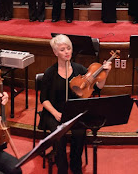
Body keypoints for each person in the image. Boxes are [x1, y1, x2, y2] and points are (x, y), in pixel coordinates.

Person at [40, 35, 111, 174]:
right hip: (54, 113)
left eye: (69, 48)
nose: (67, 52)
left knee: (80, 132)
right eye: (62, 49)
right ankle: (62, 166)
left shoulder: (79, 70)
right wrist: (56, 113)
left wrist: (105, 74)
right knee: (59, 135)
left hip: (75, 113)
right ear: (55, 52)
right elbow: (43, 99)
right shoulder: (50, 73)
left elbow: (97, 88)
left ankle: (75, 163)